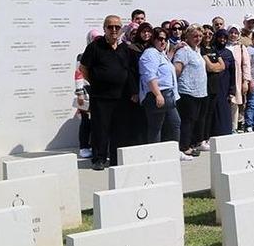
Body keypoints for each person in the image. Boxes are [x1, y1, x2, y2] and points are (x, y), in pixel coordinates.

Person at [79, 15, 137, 170]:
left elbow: (129, 71)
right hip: (101, 96)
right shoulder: (95, 47)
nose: (114, 30)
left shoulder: (124, 48)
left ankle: (116, 159)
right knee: (100, 129)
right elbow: (83, 68)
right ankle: (99, 159)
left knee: (119, 129)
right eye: (110, 27)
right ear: (104, 29)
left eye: (117, 27)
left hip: (121, 97)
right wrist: (96, 81)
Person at [139, 27, 186, 158]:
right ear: (153, 40)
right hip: (157, 95)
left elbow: (166, 66)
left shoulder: (161, 54)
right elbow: (149, 75)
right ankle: (155, 155)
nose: (163, 42)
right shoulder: (150, 54)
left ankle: (174, 152)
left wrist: (174, 49)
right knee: (156, 127)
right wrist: (158, 94)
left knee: (175, 123)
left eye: (165, 39)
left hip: (168, 96)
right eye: (160, 39)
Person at [173, 25, 208, 157]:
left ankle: (192, 143)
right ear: (187, 36)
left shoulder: (197, 50)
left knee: (196, 120)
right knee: (187, 120)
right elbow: (177, 70)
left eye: (200, 36)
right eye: (195, 36)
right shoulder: (184, 51)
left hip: (200, 91)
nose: (198, 38)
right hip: (187, 91)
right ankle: (184, 146)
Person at [197, 25, 224, 150]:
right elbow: (210, 67)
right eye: (205, 33)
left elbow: (222, 66)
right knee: (203, 115)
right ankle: (200, 140)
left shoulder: (213, 48)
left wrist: (215, 67)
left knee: (210, 114)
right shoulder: (200, 49)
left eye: (210, 34)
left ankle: (207, 138)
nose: (208, 36)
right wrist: (215, 67)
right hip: (205, 86)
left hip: (214, 86)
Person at [74, 30, 99, 159]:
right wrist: (80, 93)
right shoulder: (82, 56)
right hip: (86, 91)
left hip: (99, 91)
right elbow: (78, 75)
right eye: (94, 39)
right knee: (86, 120)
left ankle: (96, 146)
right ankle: (84, 146)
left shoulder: (102, 54)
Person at [226, 26, 252, 132]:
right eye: (231, 32)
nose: (233, 35)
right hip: (224, 78)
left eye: (235, 33)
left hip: (236, 79)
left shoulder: (241, 48)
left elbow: (246, 65)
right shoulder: (224, 45)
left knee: (234, 103)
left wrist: (246, 81)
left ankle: (234, 127)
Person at [211, 29, 236, 136]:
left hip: (224, 87)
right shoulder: (211, 51)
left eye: (225, 38)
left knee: (223, 111)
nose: (222, 40)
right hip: (212, 86)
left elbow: (233, 72)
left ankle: (225, 133)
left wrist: (232, 90)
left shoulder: (228, 53)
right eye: (220, 37)